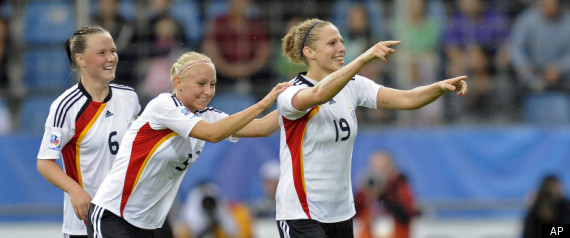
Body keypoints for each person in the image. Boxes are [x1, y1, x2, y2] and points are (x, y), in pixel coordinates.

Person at [275, 18, 468, 238]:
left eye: (341, 41)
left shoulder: (354, 85)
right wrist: (364, 58)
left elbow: (408, 100)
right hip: (301, 214)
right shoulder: (290, 93)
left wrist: (441, 87)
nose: (341, 48)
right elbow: (319, 94)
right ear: (309, 52)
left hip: (340, 213)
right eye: (332, 43)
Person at [87, 51, 290, 238]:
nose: (208, 91)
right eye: (201, 83)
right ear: (179, 82)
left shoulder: (206, 115)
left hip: (151, 224)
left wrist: (298, 98)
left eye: (212, 84)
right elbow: (213, 134)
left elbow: (263, 127)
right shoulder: (163, 105)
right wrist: (265, 103)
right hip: (114, 215)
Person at [36, 25, 141, 238]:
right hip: (85, 224)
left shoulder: (129, 98)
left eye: (112, 51)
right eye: (102, 53)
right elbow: (45, 162)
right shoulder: (65, 106)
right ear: (81, 59)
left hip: (127, 218)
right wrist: (75, 191)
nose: (111, 58)